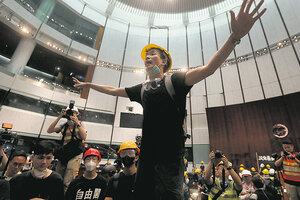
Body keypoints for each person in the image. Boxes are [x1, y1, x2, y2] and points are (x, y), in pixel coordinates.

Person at [73, 1, 266, 198]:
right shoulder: (142, 89)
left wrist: (234, 37)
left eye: (152, 54)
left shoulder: (175, 80)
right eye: (146, 56)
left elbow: (208, 69)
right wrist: (89, 85)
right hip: (146, 159)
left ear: (164, 61)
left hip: (171, 161)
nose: (147, 57)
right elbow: (114, 89)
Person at [47, 105, 87, 190]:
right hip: (64, 153)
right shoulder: (64, 125)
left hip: (75, 153)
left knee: (68, 180)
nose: (71, 114)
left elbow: (84, 137)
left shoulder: (80, 124)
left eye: (73, 113)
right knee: (58, 178)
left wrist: (77, 123)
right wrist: (59, 116)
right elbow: (49, 130)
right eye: (69, 112)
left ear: (77, 114)